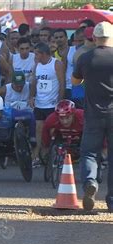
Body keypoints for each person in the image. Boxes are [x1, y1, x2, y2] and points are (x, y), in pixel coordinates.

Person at [72, 22, 113, 212]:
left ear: (94, 38)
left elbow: (75, 81)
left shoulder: (86, 57)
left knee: (89, 152)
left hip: (93, 113)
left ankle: (90, 181)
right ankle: (112, 201)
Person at [29, 42, 65, 168]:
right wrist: (31, 97)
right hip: (40, 103)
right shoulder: (37, 65)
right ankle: (37, 155)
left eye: (37, 53)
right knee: (39, 128)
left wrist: (59, 102)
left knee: (52, 130)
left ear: (43, 54)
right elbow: (34, 82)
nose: (35, 55)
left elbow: (62, 84)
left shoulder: (56, 64)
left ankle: (53, 153)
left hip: (52, 103)